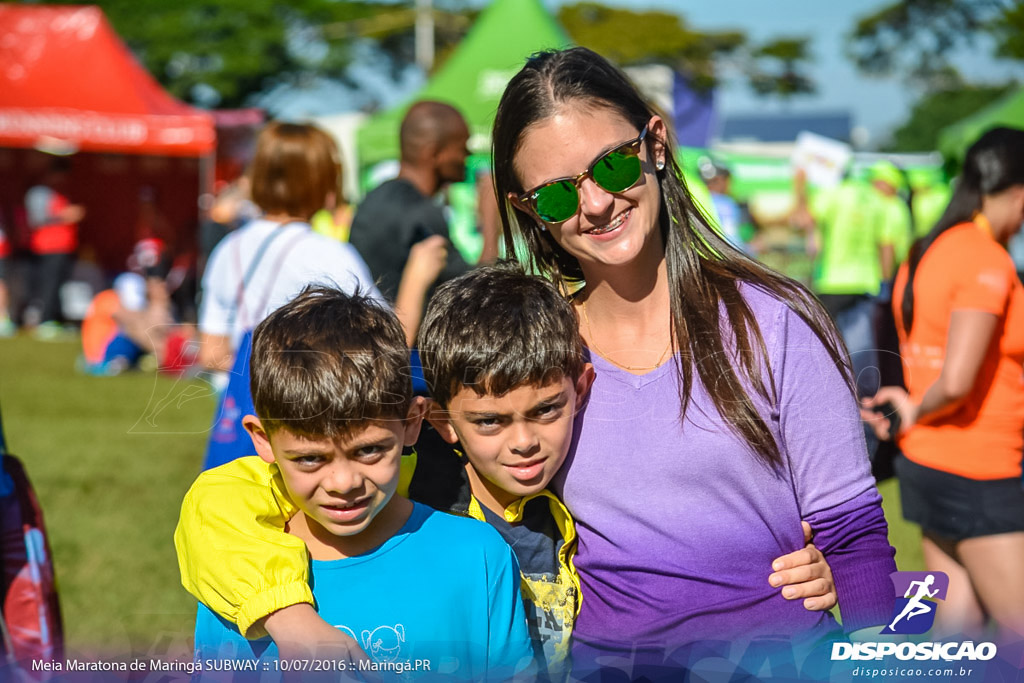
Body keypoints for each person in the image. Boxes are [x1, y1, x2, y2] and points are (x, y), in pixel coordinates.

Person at [175, 264, 838, 676]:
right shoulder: (406, 474)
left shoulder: (595, 473)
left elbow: (695, 515)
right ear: (436, 422)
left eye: (545, 411)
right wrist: (290, 615)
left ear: (578, 391)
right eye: (489, 421)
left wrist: (802, 557)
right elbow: (216, 506)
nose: (523, 443)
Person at [492, 47, 894, 674]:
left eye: (613, 165)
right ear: (526, 210)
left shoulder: (773, 322)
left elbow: (852, 536)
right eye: (555, 196)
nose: (595, 204)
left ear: (655, 144)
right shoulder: (532, 352)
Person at [182, 286, 533, 678]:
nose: (343, 482)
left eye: (369, 451)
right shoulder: (232, 582)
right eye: (311, 458)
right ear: (263, 440)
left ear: (412, 423)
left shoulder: (478, 557)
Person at [862, 127, 1024, 640]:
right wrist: (914, 408)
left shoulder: (925, 248)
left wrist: (909, 412)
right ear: (1018, 191)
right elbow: (955, 381)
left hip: (925, 466)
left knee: (956, 637)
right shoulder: (985, 258)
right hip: (980, 469)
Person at [348, 100, 499, 299]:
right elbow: (479, 293)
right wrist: (490, 219)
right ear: (434, 153)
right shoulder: (420, 212)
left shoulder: (373, 199)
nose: (468, 155)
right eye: (462, 147)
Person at [24, 157, 84, 339]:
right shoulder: (40, 192)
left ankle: (55, 319)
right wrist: (65, 215)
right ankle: (45, 321)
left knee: (58, 284)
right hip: (48, 247)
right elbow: (36, 219)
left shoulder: (60, 193)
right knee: (48, 284)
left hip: (64, 247)